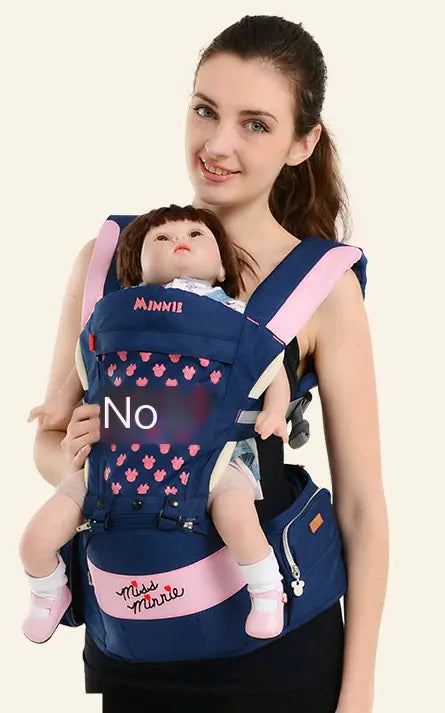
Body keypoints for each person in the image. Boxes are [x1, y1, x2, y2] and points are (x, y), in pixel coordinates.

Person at [30, 15, 388, 713]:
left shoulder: (322, 286)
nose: (217, 144)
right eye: (204, 110)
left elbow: (361, 507)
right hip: (133, 628)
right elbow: (49, 442)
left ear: (302, 143)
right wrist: (84, 457)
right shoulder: (109, 260)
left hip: (278, 650)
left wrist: (359, 691)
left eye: (255, 124)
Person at [21, 205, 290, 644]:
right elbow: (85, 363)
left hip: (214, 455)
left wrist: (274, 411)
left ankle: (266, 590)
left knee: (235, 513)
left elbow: (268, 365)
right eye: (161, 238)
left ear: (223, 266)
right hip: (117, 458)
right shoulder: (115, 315)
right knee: (36, 537)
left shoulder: (234, 315)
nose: (179, 241)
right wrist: (58, 408)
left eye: (196, 235)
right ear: (136, 270)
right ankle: (49, 591)